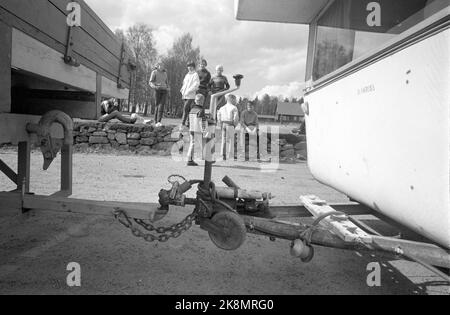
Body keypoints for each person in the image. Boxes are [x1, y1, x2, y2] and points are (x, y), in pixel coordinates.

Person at [187, 94, 209, 166]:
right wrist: (205, 131)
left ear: (195, 101)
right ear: (202, 101)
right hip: (198, 130)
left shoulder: (192, 110)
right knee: (203, 144)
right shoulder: (201, 110)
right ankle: (207, 159)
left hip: (191, 129)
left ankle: (189, 159)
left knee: (192, 144)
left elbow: (188, 121)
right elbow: (201, 121)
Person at [217, 93, 239, 161]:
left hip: (223, 124)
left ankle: (223, 155)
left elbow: (218, 116)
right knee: (232, 140)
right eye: (235, 100)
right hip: (230, 124)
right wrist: (235, 125)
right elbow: (236, 118)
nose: (235, 101)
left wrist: (220, 124)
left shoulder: (222, 107)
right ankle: (230, 155)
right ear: (232, 99)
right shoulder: (234, 107)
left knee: (223, 140)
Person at [180, 62, 200, 128]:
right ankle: (189, 124)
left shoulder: (195, 74)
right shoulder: (187, 75)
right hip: (185, 95)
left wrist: (189, 91)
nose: (189, 67)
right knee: (188, 109)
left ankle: (182, 123)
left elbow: (196, 85)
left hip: (191, 95)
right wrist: (182, 89)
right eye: (188, 66)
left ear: (193, 67)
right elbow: (184, 83)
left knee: (185, 108)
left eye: (191, 66)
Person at [149, 61, 169, 125]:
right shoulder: (154, 72)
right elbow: (151, 82)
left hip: (164, 90)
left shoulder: (165, 73)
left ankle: (159, 121)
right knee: (157, 105)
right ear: (157, 66)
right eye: (160, 65)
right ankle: (155, 121)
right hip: (157, 90)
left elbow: (166, 82)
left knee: (162, 106)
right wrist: (154, 87)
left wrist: (168, 88)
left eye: (162, 65)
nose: (161, 66)